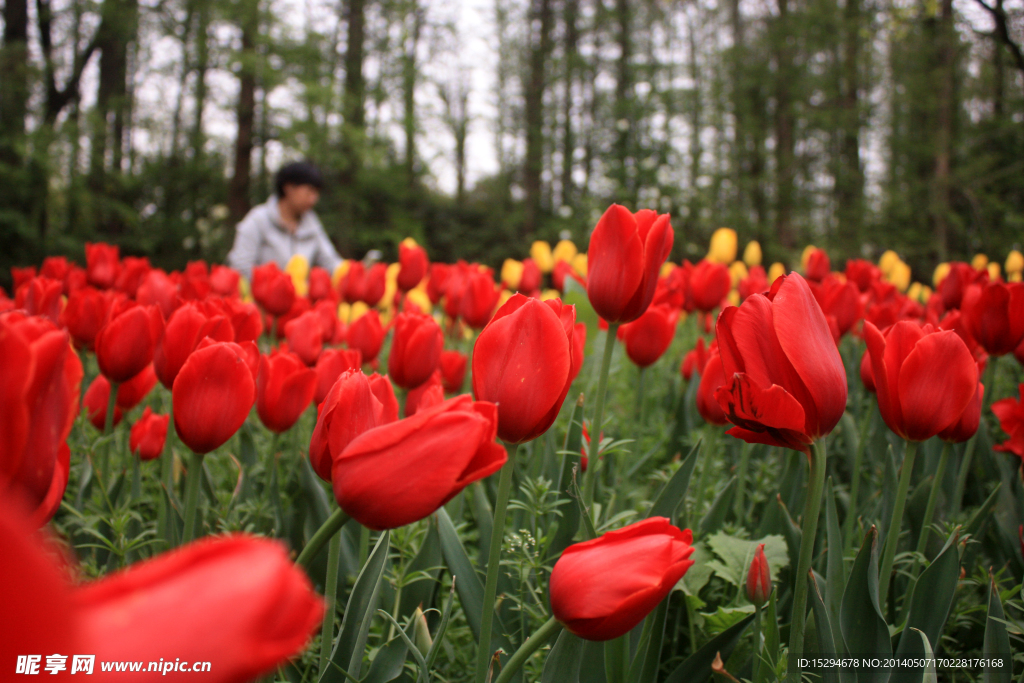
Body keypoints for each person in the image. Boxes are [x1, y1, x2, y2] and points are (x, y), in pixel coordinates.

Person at [226, 161, 342, 279]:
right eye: (309, 191)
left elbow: (331, 262)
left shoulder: (311, 222)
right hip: (258, 296)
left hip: (300, 296)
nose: (314, 199)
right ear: (289, 188)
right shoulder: (258, 219)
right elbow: (240, 266)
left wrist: (351, 275)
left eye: (317, 193)